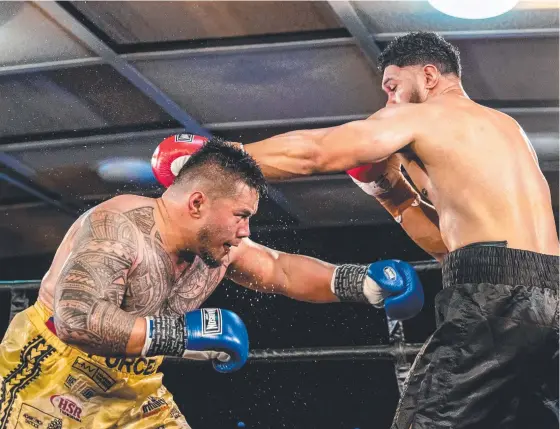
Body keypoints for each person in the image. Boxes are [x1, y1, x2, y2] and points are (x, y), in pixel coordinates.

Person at [161, 32, 559, 428]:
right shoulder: (507, 129)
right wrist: (389, 194)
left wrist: (214, 160)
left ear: (429, 75)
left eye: (393, 87)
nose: (388, 102)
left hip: (493, 301)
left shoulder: (419, 116)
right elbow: (452, 249)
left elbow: (317, 153)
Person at [0, 139, 424, 429]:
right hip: (51, 373)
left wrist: (360, 281)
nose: (245, 230)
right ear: (198, 202)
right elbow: (77, 318)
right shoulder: (119, 226)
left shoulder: (217, 247)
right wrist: (181, 334)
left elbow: (280, 270)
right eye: (240, 215)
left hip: (135, 386)